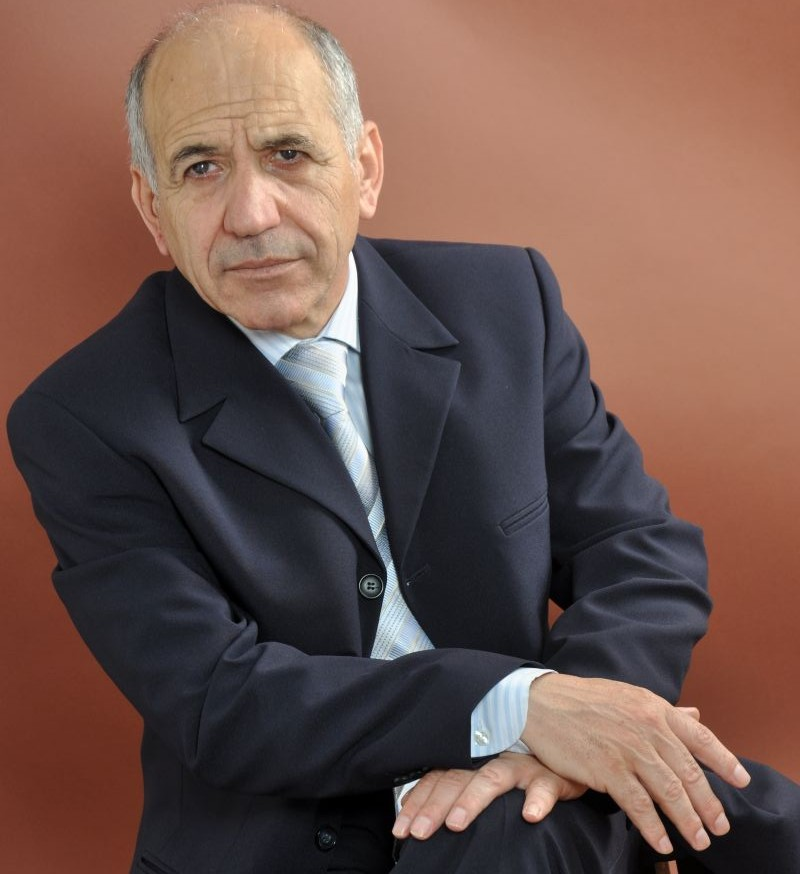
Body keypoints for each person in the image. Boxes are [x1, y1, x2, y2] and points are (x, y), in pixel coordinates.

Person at [7, 3, 799, 873]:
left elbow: (639, 549)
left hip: (542, 803)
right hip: (299, 842)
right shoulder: (82, 418)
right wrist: (520, 707)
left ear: (365, 167)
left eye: (288, 153)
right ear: (153, 209)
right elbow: (221, 701)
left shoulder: (506, 303)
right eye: (201, 168)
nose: (251, 212)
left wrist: (569, 736)